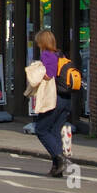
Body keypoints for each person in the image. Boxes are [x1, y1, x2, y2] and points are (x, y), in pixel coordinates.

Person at [25, 29, 69, 177]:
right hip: (65, 99)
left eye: (38, 42)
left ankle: (60, 158)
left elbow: (49, 74)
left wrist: (36, 71)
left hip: (53, 99)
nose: (37, 44)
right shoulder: (60, 54)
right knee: (54, 131)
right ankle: (57, 169)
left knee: (41, 129)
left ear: (42, 42)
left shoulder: (47, 55)